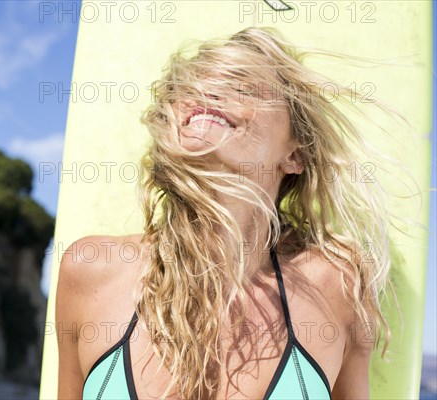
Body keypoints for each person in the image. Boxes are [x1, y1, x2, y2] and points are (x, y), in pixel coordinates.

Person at [56, 26, 408, 399]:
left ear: (295, 155)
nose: (208, 95)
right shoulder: (91, 270)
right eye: (191, 87)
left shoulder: (336, 285)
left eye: (244, 86)